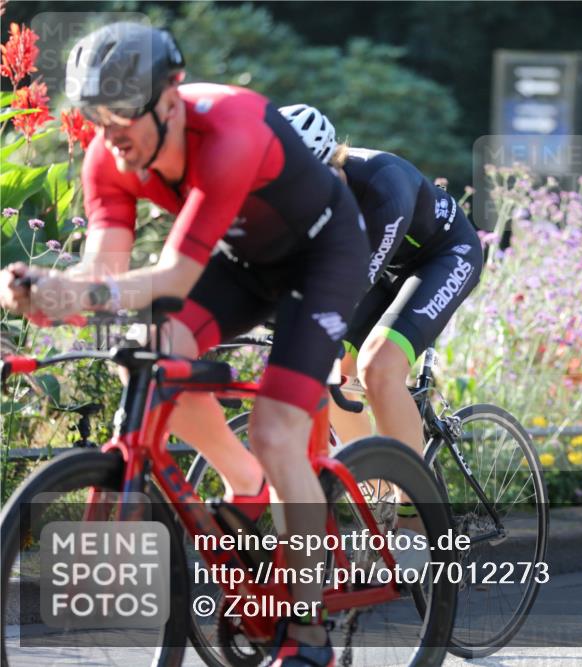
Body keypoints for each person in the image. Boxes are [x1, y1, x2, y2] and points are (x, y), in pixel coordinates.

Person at [0, 23, 368, 666]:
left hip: (322, 257)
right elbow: (104, 272)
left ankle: (309, 636)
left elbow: (170, 277)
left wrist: (77, 294)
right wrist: (49, 293)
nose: (108, 131)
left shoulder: (227, 132)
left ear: (169, 99)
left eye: (120, 111)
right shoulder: (107, 157)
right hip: (240, 259)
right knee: (146, 353)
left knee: (277, 431)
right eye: (93, 113)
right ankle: (244, 481)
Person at [280, 105, 484, 526]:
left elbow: (356, 281)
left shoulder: (382, 183)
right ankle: (378, 498)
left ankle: (413, 514)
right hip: (385, 267)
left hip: (444, 256)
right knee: (330, 374)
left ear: (333, 163)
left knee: (379, 366)